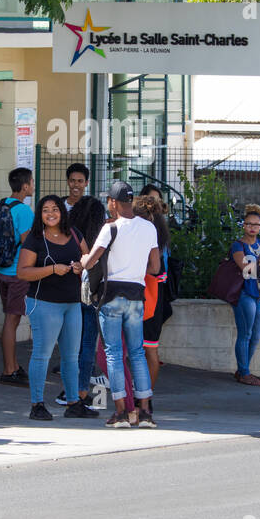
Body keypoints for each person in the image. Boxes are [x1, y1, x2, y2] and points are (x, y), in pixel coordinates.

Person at [79, 181, 161, 428]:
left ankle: (122, 413)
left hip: (111, 296)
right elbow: (155, 268)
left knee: (114, 354)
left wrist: (83, 259)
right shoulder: (148, 228)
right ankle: (145, 412)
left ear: (113, 203)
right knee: (137, 353)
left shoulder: (110, 228)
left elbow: (90, 262)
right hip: (137, 295)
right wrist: (135, 270)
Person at [17, 196, 95, 421]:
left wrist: (81, 266)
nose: (50, 214)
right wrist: (51, 269)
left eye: (55, 209)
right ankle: (37, 404)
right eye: (45, 210)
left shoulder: (74, 233)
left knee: (71, 356)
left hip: (72, 304)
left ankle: (73, 402)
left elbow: (88, 259)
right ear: (39, 215)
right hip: (44, 303)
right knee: (42, 354)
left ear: (62, 211)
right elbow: (23, 272)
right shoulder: (34, 239)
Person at [61, 195, 107, 408]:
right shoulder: (101, 238)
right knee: (89, 344)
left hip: (69, 294)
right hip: (91, 295)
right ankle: (82, 390)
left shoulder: (68, 235)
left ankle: (68, 391)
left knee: (70, 345)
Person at [0, 167, 35, 386]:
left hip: (1, 269)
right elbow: (28, 242)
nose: (33, 185)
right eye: (32, 182)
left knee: (10, 317)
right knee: (12, 320)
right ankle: (9, 370)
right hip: (19, 271)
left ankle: (14, 366)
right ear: (25, 185)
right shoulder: (25, 211)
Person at [135, 192, 173, 390]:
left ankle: (142, 394)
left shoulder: (149, 243)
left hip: (145, 301)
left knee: (144, 351)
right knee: (149, 350)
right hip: (153, 301)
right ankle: (145, 396)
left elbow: (155, 270)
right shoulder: (159, 240)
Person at [230, 203, 260, 386]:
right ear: (243, 225)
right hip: (244, 292)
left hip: (259, 295)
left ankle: (244, 369)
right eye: (249, 224)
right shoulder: (238, 245)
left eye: (256, 225)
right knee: (245, 333)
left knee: (256, 335)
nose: (252, 228)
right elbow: (245, 269)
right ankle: (244, 371)